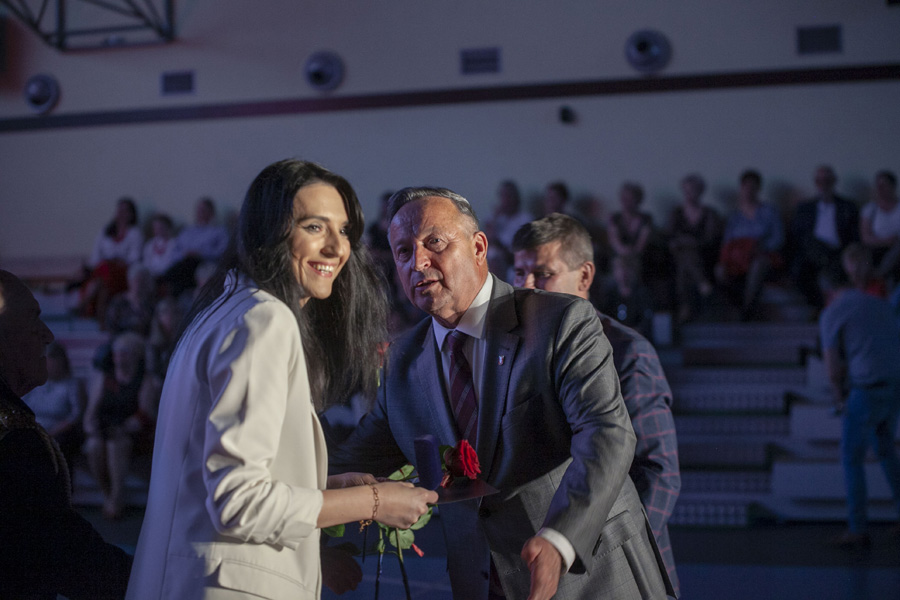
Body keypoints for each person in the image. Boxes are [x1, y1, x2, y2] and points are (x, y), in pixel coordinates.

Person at [330, 188, 673, 600]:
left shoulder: (561, 321)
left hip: (592, 577)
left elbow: (606, 433)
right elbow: (349, 460)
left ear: (479, 247)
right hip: (481, 584)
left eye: (434, 242)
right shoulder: (402, 362)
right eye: (403, 251)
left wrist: (560, 540)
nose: (417, 262)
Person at [126, 160, 436, 599]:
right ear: (269, 231)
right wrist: (375, 503)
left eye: (343, 230)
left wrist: (327, 488)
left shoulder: (222, 310)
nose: (337, 248)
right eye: (314, 227)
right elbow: (239, 501)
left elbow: (211, 478)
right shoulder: (265, 319)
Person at [511, 213, 681, 596]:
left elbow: (659, 474)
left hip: (616, 567)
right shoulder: (518, 350)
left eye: (543, 273)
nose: (526, 285)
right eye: (519, 272)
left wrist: (585, 547)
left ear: (585, 276)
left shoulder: (628, 352)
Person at [0, 269, 133, 599]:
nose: (48, 335)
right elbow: (70, 559)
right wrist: (157, 579)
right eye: (33, 320)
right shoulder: (15, 442)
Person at [820, 244, 900, 548]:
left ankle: (857, 528)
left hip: (866, 389)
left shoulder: (832, 312)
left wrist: (837, 398)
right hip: (893, 386)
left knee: (852, 458)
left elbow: (832, 368)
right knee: (887, 452)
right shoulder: (880, 304)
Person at [83, 331, 160, 520]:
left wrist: (122, 429)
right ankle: (107, 494)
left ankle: (117, 495)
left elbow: (144, 415)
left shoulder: (146, 379)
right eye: (116, 353)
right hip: (106, 428)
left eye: (124, 353)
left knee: (116, 444)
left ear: (135, 355)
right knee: (93, 446)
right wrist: (91, 427)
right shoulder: (105, 377)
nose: (118, 357)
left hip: (134, 433)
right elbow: (91, 411)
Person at [715, 169, 785, 320]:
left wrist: (758, 248)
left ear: (758, 189)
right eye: (745, 187)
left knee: (758, 265)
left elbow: (778, 239)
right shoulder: (734, 217)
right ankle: (735, 306)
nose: (748, 191)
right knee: (719, 271)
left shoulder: (770, 211)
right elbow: (726, 243)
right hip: (737, 260)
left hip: (762, 256)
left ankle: (747, 309)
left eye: (752, 187)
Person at [789, 165, 859, 309]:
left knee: (839, 263)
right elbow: (796, 236)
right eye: (820, 181)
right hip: (812, 253)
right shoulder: (805, 208)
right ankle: (820, 307)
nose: (824, 185)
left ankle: (824, 309)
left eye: (827, 181)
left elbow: (855, 236)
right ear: (816, 183)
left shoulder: (847, 207)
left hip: (839, 251)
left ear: (834, 181)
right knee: (806, 254)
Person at [22, 340, 86, 478]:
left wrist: (51, 433)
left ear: (60, 362)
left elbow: (76, 415)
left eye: (50, 362)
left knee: (57, 444)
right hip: (34, 428)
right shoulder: (36, 384)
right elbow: (22, 406)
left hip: (60, 431)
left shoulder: (72, 385)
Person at [666, 173, 723, 323]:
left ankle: (685, 307)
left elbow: (710, 240)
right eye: (687, 190)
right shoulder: (676, 213)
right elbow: (670, 239)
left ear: (701, 192)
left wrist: (688, 242)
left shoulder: (710, 214)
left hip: (703, 257)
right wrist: (687, 242)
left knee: (686, 261)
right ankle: (703, 284)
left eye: (693, 190)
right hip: (678, 256)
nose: (690, 194)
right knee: (685, 257)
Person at [79, 196, 145, 320]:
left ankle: (84, 304)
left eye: (125, 211)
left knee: (105, 275)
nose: (121, 214)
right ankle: (99, 316)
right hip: (103, 271)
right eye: (119, 210)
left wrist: (115, 262)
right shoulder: (105, 231)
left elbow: (135, 258)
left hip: (121, 273)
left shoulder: (135, 233)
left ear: (132, 214)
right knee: (103, 280)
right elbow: (96, 255)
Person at [860, 170, 900, 285]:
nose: (879, 189)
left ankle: (880, 275)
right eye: (877, 186)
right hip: (877, 248)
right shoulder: (870, 209)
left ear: (893, 187)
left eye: (883, 185)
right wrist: (885, 241)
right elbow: (865, 237)